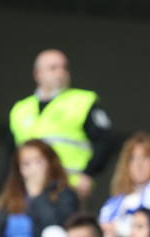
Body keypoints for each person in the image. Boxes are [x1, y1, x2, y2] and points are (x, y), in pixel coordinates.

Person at [8, 49, 112, 200]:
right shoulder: (20, 109)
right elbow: (11, 155)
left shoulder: (82, 101)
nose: (60, 72)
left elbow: (106, 141)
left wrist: (88, 174)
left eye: (64, 67)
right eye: (53, 68)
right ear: (37, 74)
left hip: (69, 187)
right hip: (27, 189)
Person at [99, 131, 150, 237]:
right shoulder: (116, 200)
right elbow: (102, 225)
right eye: (132, 159)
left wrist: (115, 229)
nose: (138, 164)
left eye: (144, 158)